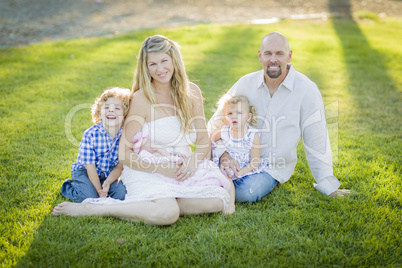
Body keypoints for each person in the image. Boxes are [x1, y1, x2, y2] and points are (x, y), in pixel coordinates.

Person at [52, 35, 234, 225]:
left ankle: (160, 203)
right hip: (148, 166)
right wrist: (160, 168)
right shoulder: (142, 98)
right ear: (145, 67)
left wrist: (194, 160)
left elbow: (204, 142)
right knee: (168, 214)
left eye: (164, 61)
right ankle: (99, 208)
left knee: (218, 199)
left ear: (174, 60)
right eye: (152, 64)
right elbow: (124, 153)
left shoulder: (192, 92)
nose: (160, 69)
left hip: (182, 165)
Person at [208, 32, 351, 203]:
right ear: (260, 56)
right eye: (268, 53)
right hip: (235, 160)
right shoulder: (245, 83)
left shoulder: (306, 90)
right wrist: (224, 155)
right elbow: (214, 123)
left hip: (271, 167)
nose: (273, 59)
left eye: (279, 53)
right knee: (205, 178)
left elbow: (317, 139)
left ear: (289, 56)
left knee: (245, 193)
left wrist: (327, 184)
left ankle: (223, 184)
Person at [60, 87, 131, 202]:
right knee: (89, 197)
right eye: (106, 107)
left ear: (125, 113)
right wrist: (99, 191)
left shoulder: (124, 136)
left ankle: (102, 186)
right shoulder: (90, 135)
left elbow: (119, 166)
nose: (111, 111)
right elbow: (90, 167)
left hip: (108, 173)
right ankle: (68, 186)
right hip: (86, 172)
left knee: (121, 195)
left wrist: (108, 182)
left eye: (117, 108)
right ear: (99, 113)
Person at [211, 95, 270, 203]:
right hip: (227, 166)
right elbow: (211, 138)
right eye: (230, 113)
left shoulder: (252, 136)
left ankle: (230, 190)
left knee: (242, 186)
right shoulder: (225, 131)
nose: (234, 116)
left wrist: (241, 172)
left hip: (243, 169)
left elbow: (255, 162)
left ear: (248, 117)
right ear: (225, 117)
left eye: (239, 113)